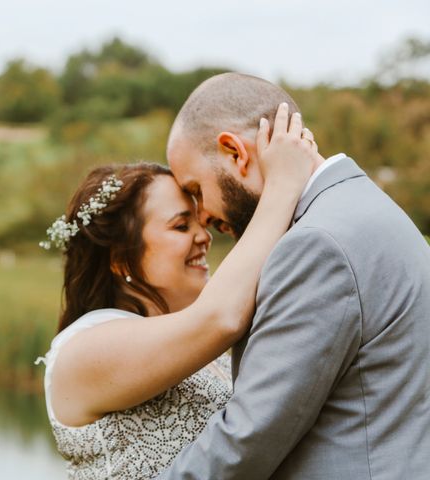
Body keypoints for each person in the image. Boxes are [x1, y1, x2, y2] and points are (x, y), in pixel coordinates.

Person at [157, 73, 430, 479]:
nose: (203, 217)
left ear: (234, 152)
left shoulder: (316, 244)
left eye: (196, 190)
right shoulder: (363, 206)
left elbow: (249, 436)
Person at [37, 106, 318, 479]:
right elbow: (222, 316)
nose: (204, 236)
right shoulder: (84, 351)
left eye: (199, 221)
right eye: (181, 226)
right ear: (121, 259)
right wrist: (283, 185)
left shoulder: (196, 338)